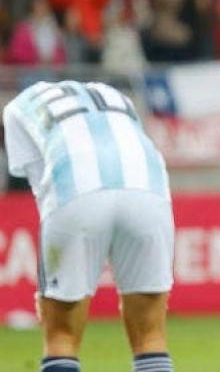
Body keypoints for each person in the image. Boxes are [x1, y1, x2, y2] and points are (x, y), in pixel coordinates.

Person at [3, 81, 174, 372]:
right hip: (149, 191)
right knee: (151, 337)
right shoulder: (115, 94)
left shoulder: (16, 108)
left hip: (76, 191)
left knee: (61, 338)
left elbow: (41, 184)